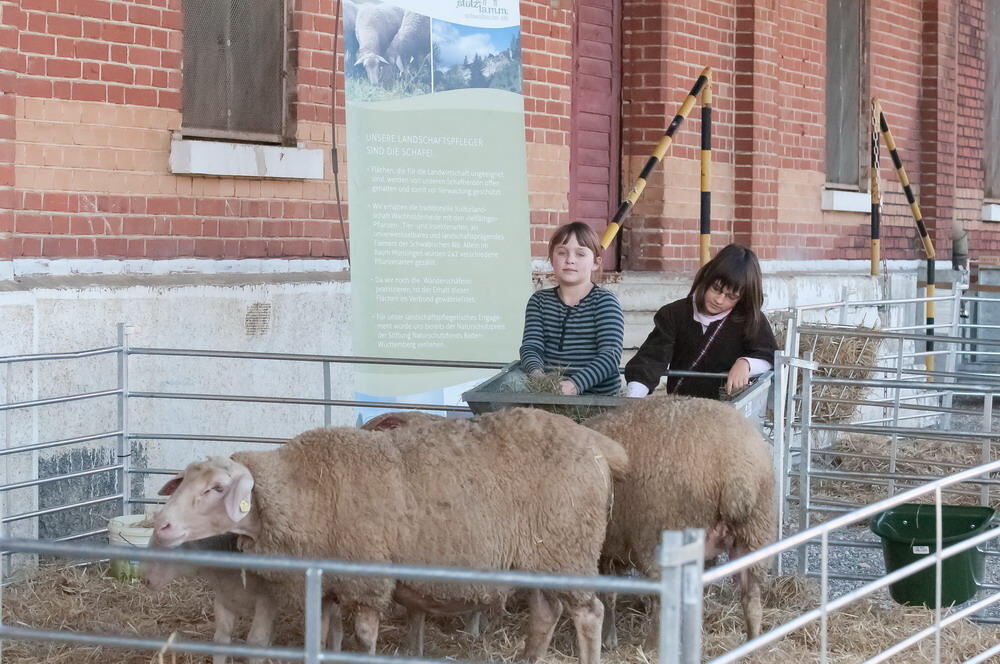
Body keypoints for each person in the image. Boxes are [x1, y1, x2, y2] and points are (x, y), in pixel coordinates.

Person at [624, 244, 777, 399]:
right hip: (682, 409)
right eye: (716, 289)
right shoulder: (673, 314)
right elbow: (651, 359)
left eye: (731, 296)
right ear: (706, 278)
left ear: (743, 297)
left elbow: (770, 356)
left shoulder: (750, 320)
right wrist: (633, 399)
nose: (719, 300)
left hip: (728, 411)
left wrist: (746, 363)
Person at [519, 222, 625, 396]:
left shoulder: (605, 302)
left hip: (597, 402)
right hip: (549, 398)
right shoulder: (539, 301)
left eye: (580, 254)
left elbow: (610, 356)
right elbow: (531, 347)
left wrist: (574, 385)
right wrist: (539, 378)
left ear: (596, 263)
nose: (570, 260)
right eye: (562, 252)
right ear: (552, 260)